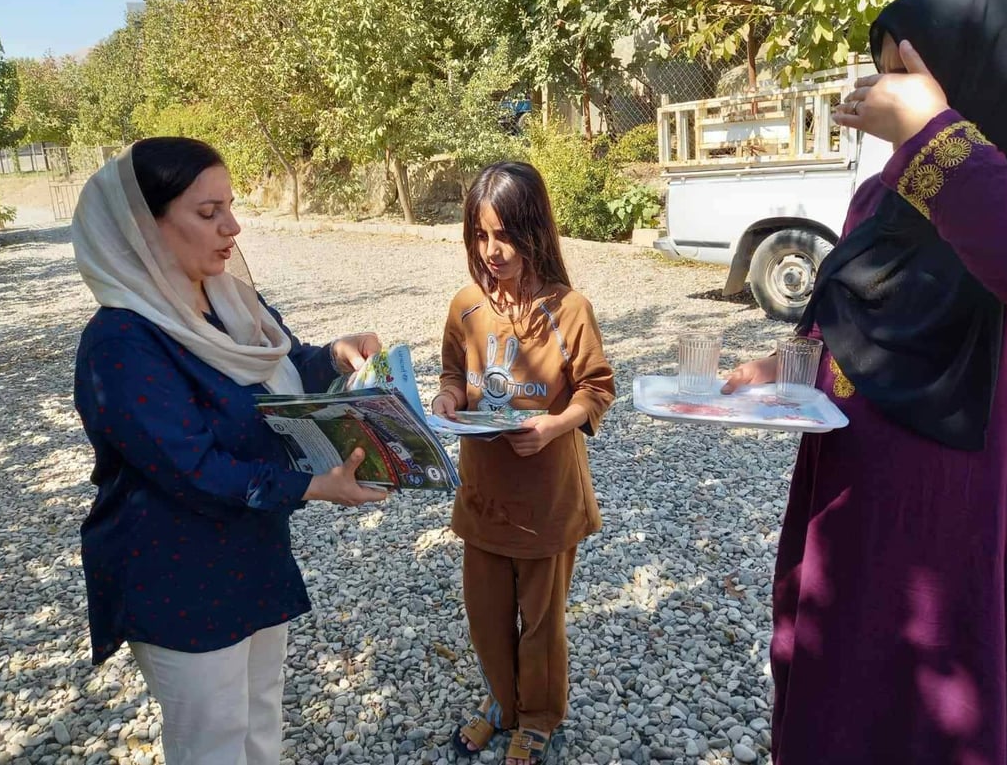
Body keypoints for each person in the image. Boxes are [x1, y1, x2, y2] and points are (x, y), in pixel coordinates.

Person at [722, 0, 1007, 764]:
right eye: (885, 71)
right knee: (837, 698)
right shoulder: (884, 198)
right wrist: (783, 365)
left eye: (909, 73)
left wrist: (932, 131)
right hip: (848, 516)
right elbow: (846, 323)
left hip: (951, 550)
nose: (890, 92)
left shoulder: (995, 191)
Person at [71, 137, 388, 765]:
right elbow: (190, 467)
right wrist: (314, 486)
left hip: (252, 552)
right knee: (211, 742)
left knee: (260, 722)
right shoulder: (122, 341)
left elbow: (278, 376)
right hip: (179, 573)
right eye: (208, 212)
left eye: (231, 206)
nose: (233, 227)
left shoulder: (229, 301)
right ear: (143, 227)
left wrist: (333, 356)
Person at [432, 162, 615, 765]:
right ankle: (503, 706)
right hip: (482, 498)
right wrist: (448, 399)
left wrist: (556, 425)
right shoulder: (465, 306)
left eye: (505, 235)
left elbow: (597, 388)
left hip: (547, 502)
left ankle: (537, 717)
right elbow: (453, 374)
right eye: (480, 236)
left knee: (540, 623)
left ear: (535, 230)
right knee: (485, 618)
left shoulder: (570, 309)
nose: (492, 251)